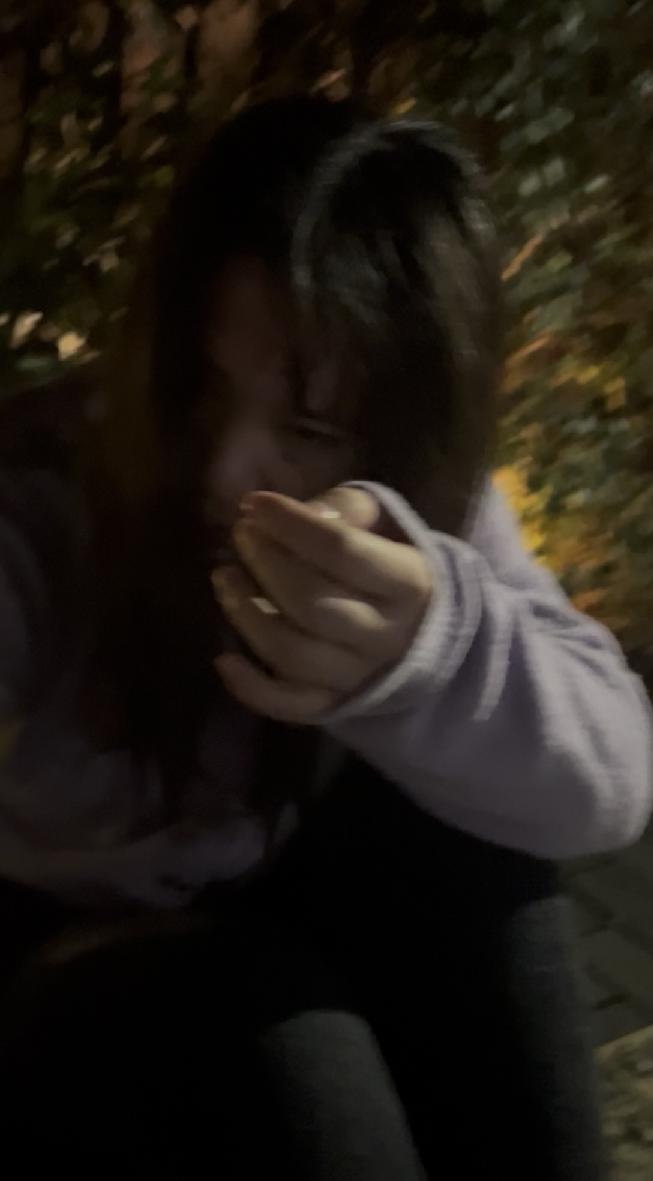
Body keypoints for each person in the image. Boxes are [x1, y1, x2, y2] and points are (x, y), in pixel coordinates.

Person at [0, 94, 650, 1176]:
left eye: (305, 428)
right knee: (260, 1029)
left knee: (477, 856)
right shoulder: (46, 490)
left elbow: (613, 785)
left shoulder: (417, 515)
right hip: (71, 961)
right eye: (198, 390)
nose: (225, 470)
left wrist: (427, 660)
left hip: (299, 895)